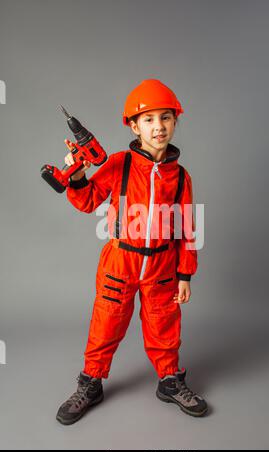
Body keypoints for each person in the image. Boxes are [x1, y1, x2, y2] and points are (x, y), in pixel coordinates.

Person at [56, 79, 208, 425]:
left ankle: (170, 380)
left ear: (174, 123)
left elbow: (188, 230)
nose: (159, 127)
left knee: (165, 326)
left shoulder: (181, 177)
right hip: (120, 261)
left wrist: (185, 274)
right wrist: (77, 176)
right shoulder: (120, 164)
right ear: (134, 125)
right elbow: (88, 199)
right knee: (106, 324)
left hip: (163, 265)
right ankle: (91, 383)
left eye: (166, 118)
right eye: (149, 119)